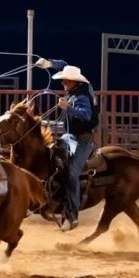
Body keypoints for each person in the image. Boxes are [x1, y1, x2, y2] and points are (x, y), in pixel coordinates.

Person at [35, 58, 99, 231]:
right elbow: (63, 65)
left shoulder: (81, 96)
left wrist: (67, 108)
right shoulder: (77, 90)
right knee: (52, 158)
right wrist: (49, 64)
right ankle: (53, 200)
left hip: (84, 140)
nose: (62, 83)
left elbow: (86, 115)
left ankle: (72, 216)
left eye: (65, 80)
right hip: (70, 137)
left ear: (72, 81)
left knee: (72, 173)